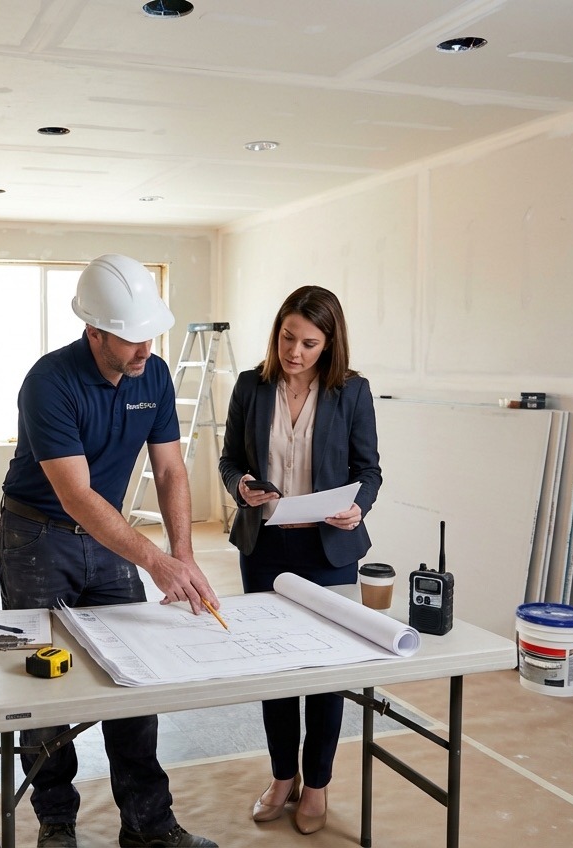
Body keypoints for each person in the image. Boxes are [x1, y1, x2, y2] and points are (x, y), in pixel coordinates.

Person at [0, 253, 220, 848]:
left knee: (135, 679)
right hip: (38, 538)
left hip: (111, 535)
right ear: (93, 331)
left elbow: (170, 471)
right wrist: (155, 561)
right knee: (43, 685)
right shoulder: (49, 383)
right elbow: (74, 496)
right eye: (128, 338)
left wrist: (184, 554)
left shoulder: (155, 373)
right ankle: (56, 822)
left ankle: (148, 825)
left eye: (149, 333)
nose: (143, 349)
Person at [217, 285, 382, 835]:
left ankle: (317, 786)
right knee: (276, 668)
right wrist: (240, 485)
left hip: (328, 551)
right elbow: (230, 459)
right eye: (288, 338)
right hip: (265, 548)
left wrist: (357, 506)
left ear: (329, 343)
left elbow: (370, 469)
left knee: (325, 674)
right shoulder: (251, 386)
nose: (295, 352)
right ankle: (282, 777)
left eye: (309, 343)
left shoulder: (352, 393)